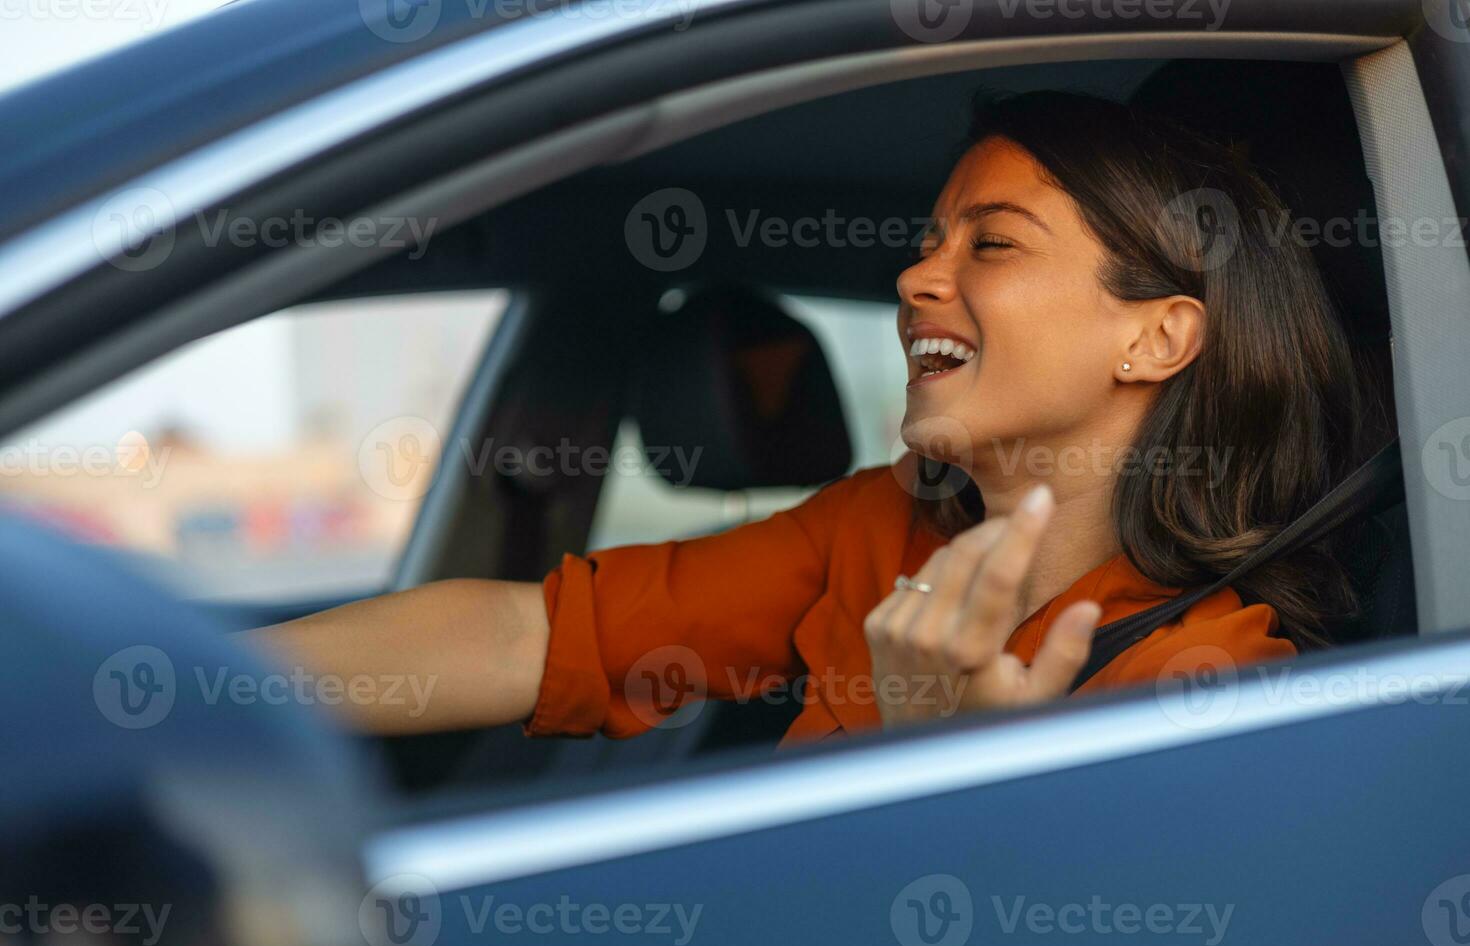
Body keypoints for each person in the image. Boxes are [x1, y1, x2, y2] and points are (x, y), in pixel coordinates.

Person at [241, 91, 1362, 744]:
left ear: (1157, 335)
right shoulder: (881, 531)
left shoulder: (1212, 678)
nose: (918, 278)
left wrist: (938, 747)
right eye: (927, 241)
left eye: (993, 243)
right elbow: (526, 638)